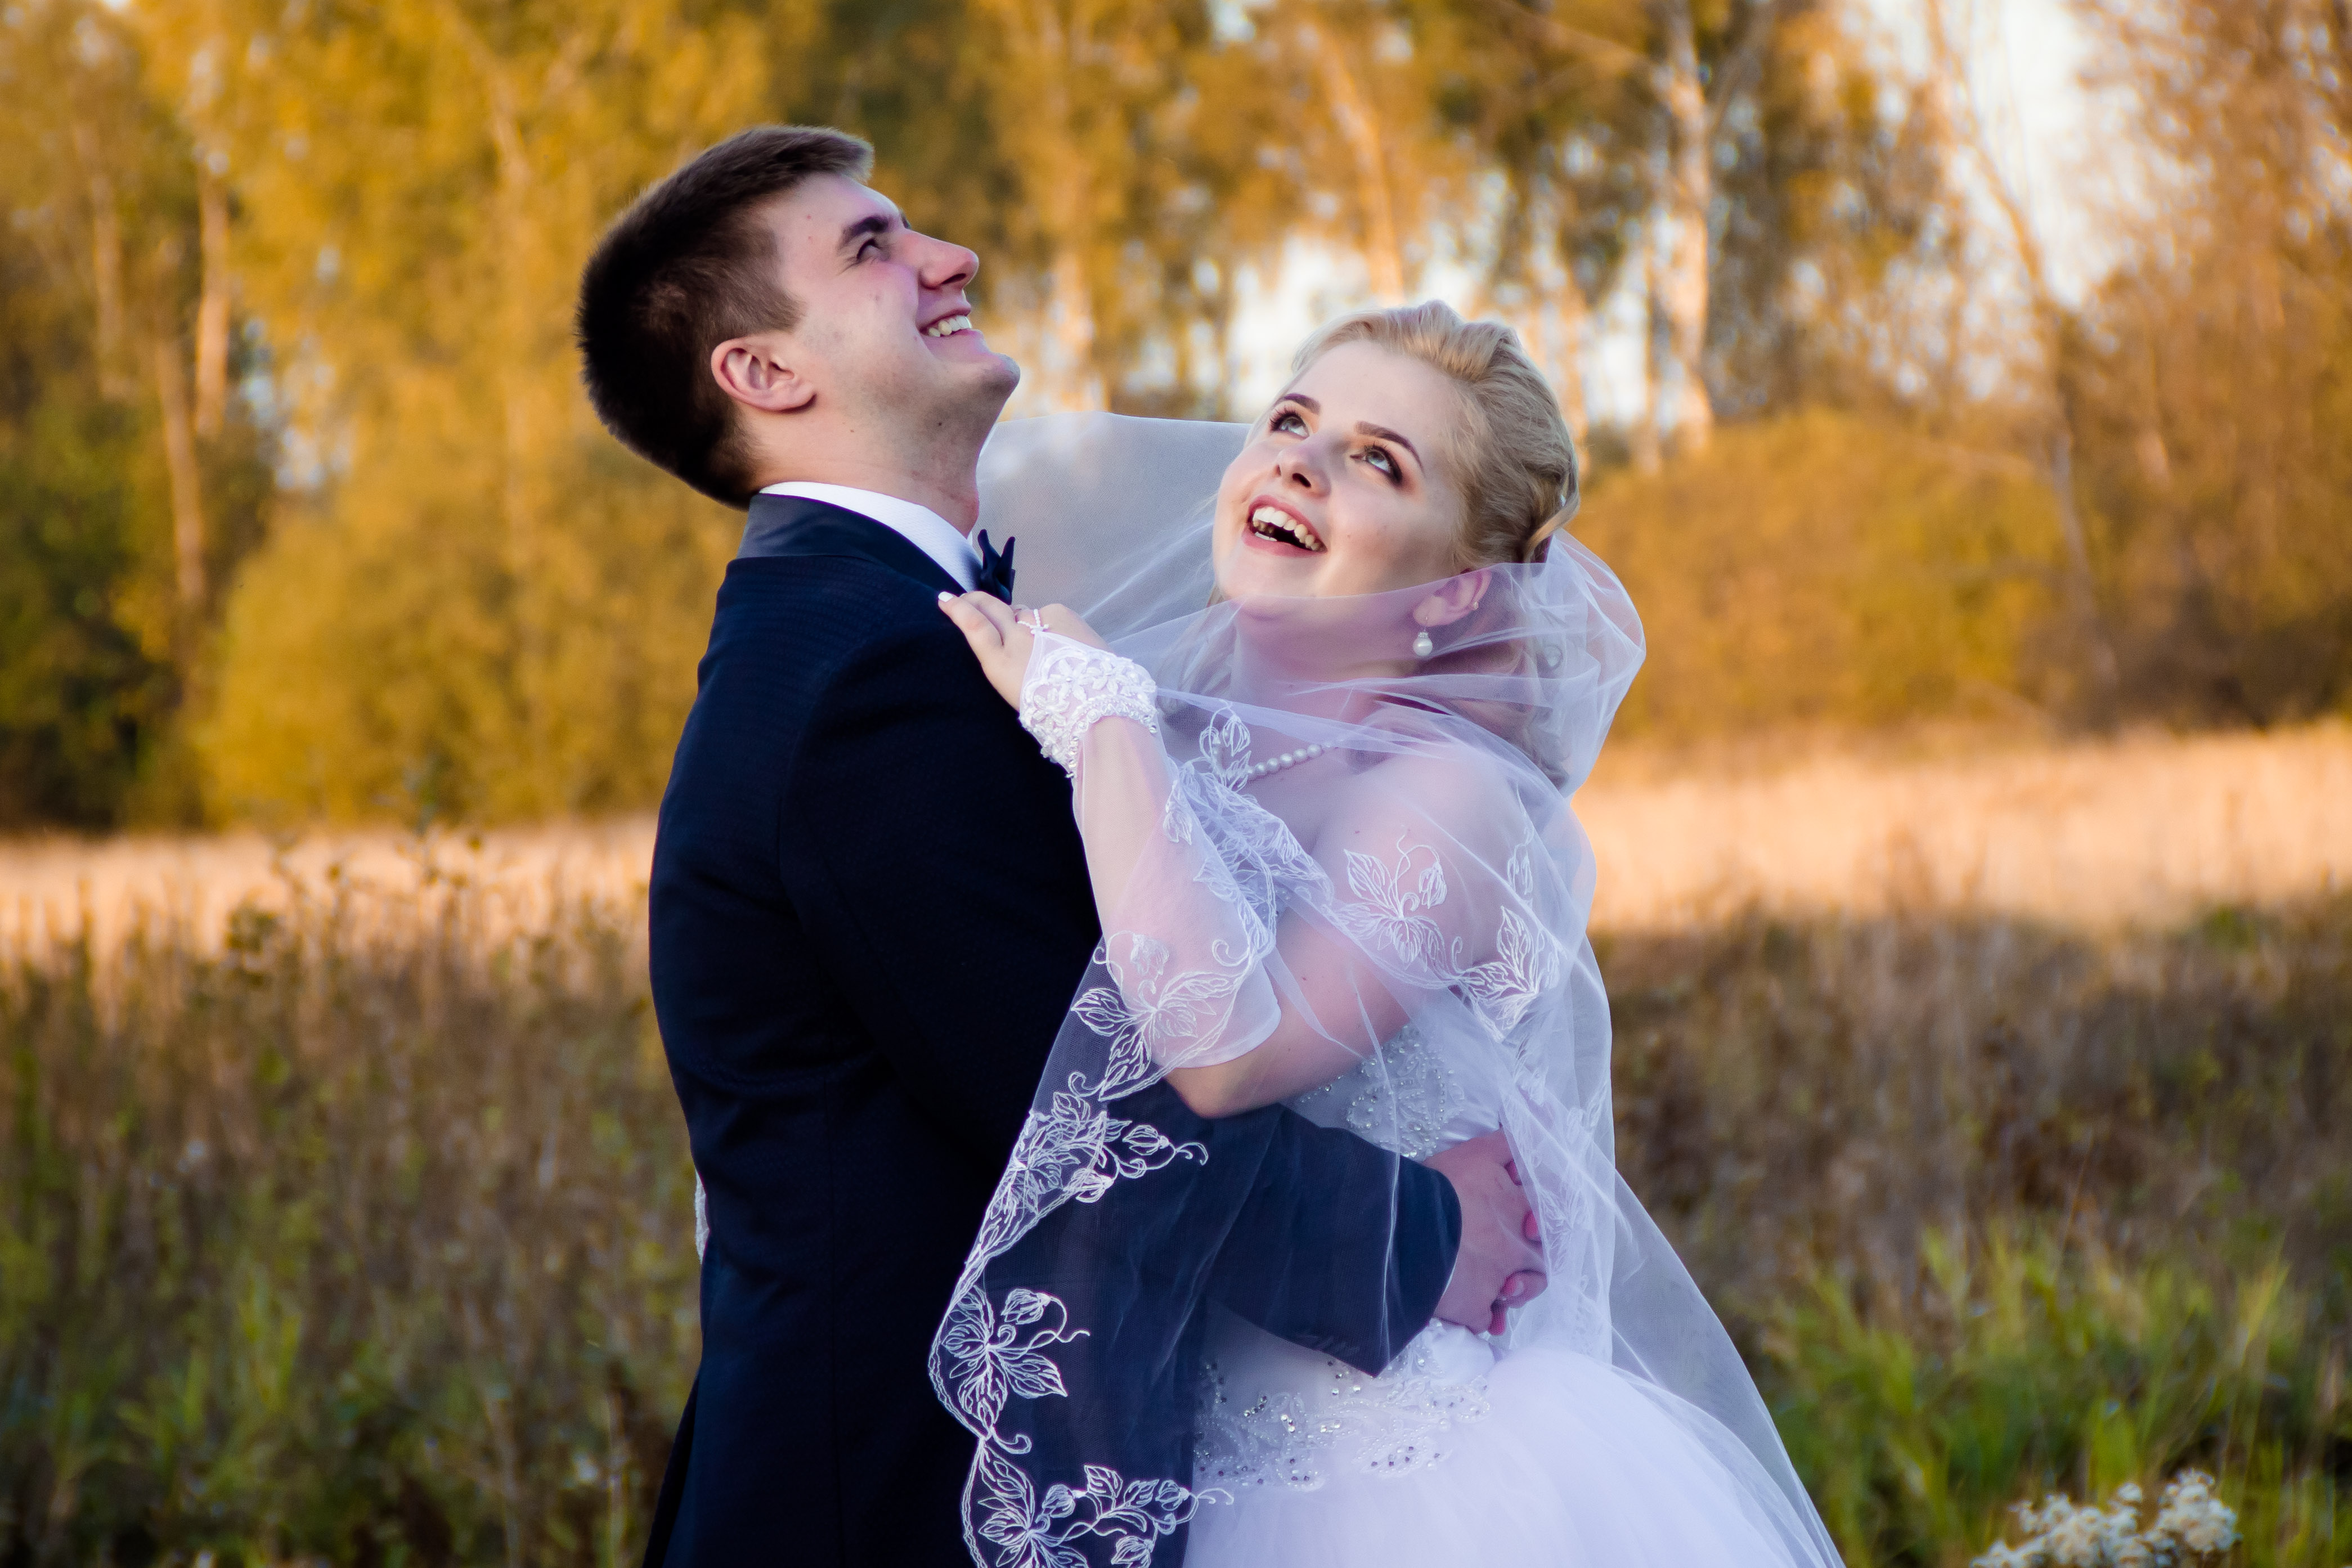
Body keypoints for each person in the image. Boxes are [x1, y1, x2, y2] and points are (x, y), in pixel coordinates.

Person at [573, 127, 1547, 1568]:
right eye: (873, 246)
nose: (950, 257)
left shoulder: (898, 632)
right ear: (766, 372)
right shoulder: (859, 675)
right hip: (881, 1505)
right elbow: (1075, 1108)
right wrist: (1421, 1233)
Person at [936, 302, 1846, 1566]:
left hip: (1395, 1481)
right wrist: (1112, 726)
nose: (1301, 462)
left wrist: (1099, 723)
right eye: (1290, 421)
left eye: (1379, 461)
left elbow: (1226, 1056)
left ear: (1457, 587)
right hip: (1173, 1446)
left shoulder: (1441, 794)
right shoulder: (1158, 730)